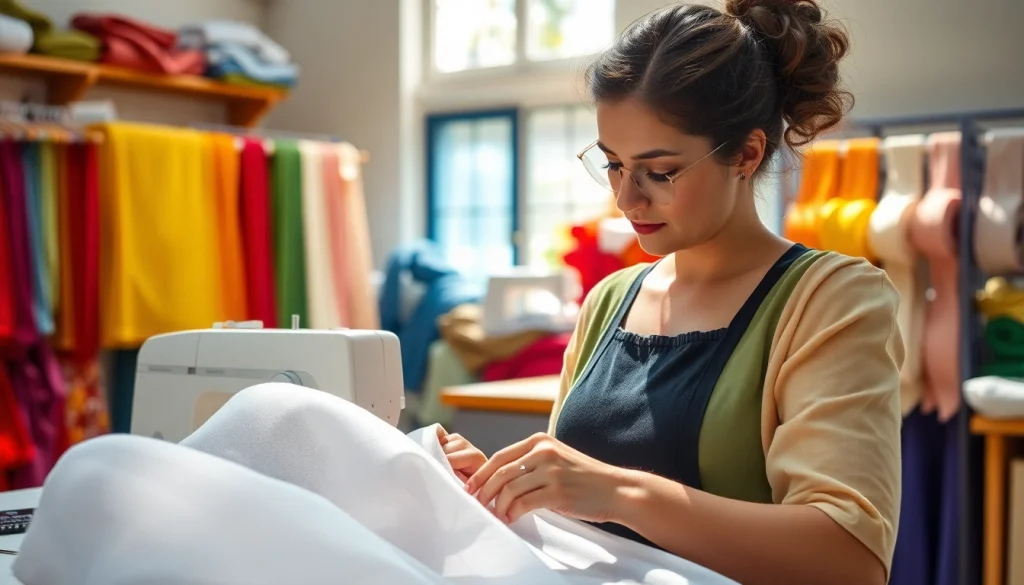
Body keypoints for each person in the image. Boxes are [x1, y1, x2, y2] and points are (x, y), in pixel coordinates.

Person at [437, 2, 903, 585]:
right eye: (612, 164)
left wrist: (621, 492)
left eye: (659, 172)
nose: (627, 200)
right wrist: (506, 488)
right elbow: (582, 527)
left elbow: (849, 560)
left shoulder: (832, 300)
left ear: (747, 153)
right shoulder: (611, 301)